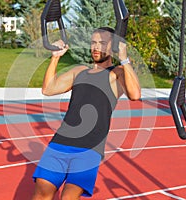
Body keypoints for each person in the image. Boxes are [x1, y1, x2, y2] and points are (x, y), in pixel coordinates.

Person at [31, 27, 141, 199]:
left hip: (89, 149)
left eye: (102, 43)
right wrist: (55, 58)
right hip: (60, 142)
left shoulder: (116, 73)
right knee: (42, 191)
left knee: (68, 197)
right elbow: (48, 89)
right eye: (93, 43)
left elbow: (135, 95)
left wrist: (124, 59)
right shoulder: (79, 71)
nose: (96, 47)